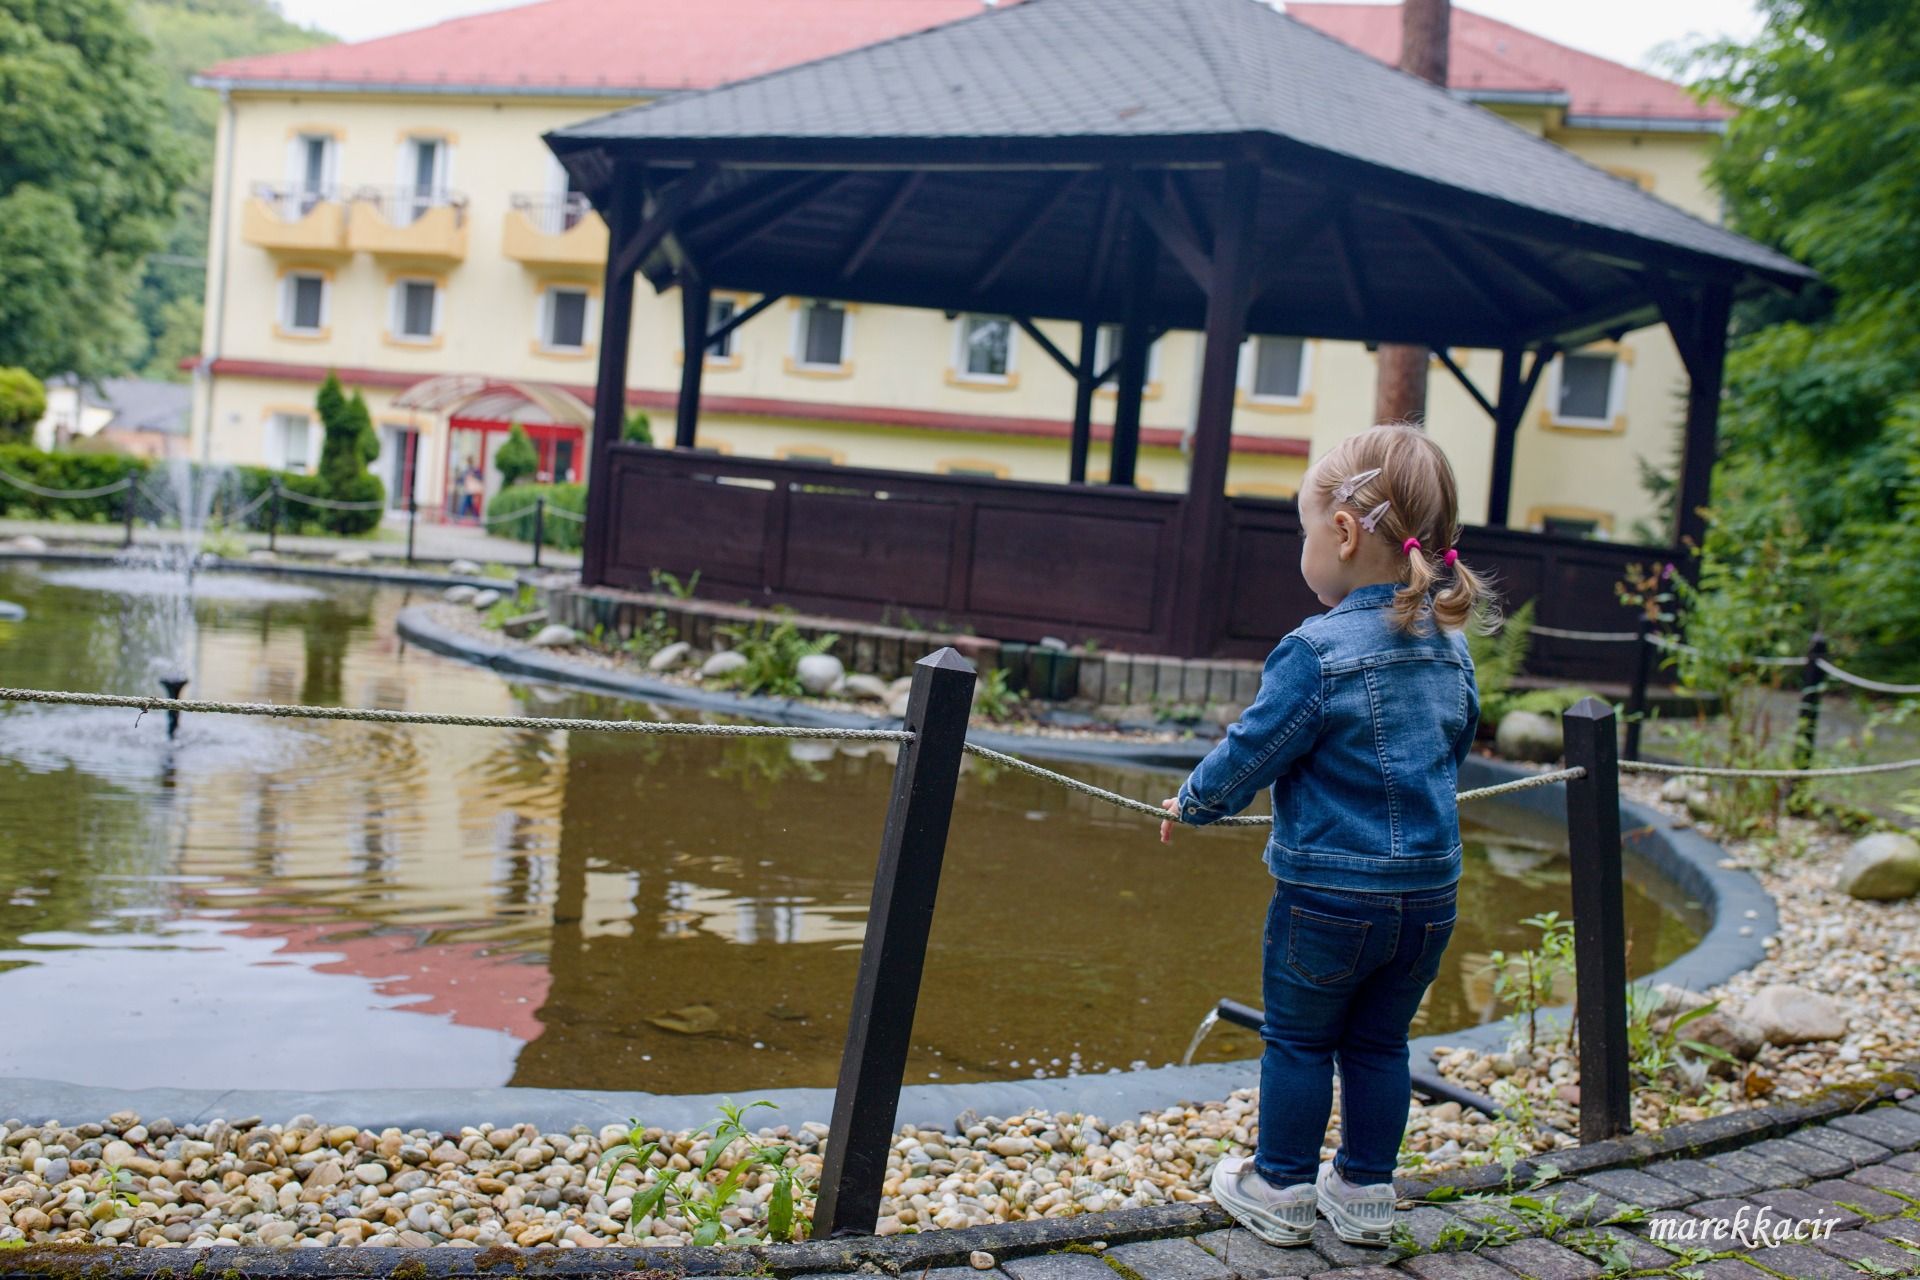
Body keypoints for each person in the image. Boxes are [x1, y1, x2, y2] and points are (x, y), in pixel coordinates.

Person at [1159, 422, 1493, 1249]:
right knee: (1382, 1042)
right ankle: (1366, 1196)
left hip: (1330, 899)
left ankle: (1280, 1187)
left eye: (1305, 532)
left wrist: (1192, 802)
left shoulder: (1317, 650)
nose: (1303, 549)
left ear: (1342, 533)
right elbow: (1456, 745)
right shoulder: (1448, 646)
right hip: (1428, 899)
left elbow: (1253, 751)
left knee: (1301, 1041)